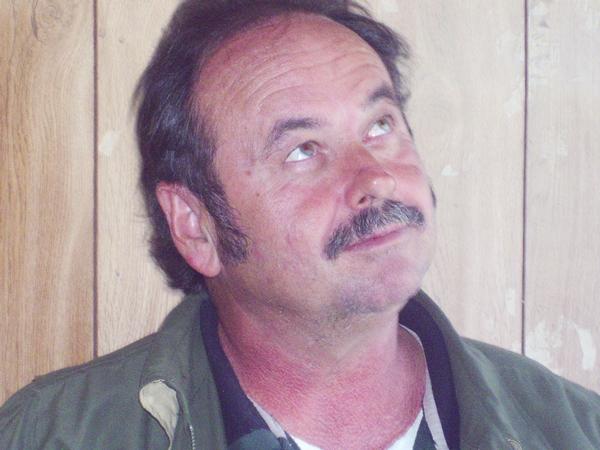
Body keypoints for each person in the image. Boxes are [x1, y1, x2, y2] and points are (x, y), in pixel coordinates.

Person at [1, 1, 599, 449]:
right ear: (196, 226)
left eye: (380, 125)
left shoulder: (574, 429)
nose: (376, 178)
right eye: (303, 151)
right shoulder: (49, 436)